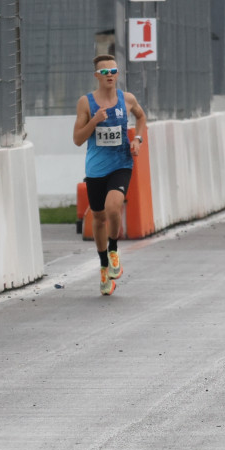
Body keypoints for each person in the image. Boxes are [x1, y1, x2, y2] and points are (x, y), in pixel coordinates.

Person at [73, 54, 147, 296]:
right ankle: (104, 265)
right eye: (105, 72)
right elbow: (77, 139)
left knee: (113, 207)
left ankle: (114, 249)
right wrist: (94, 120)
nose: (110, 76)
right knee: (98, 217)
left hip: (122, 163)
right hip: (95, 169)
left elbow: (142, 116)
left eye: (113, 71)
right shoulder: (86, 103)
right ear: (97, 76)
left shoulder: (127, 99)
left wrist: (137, 139)